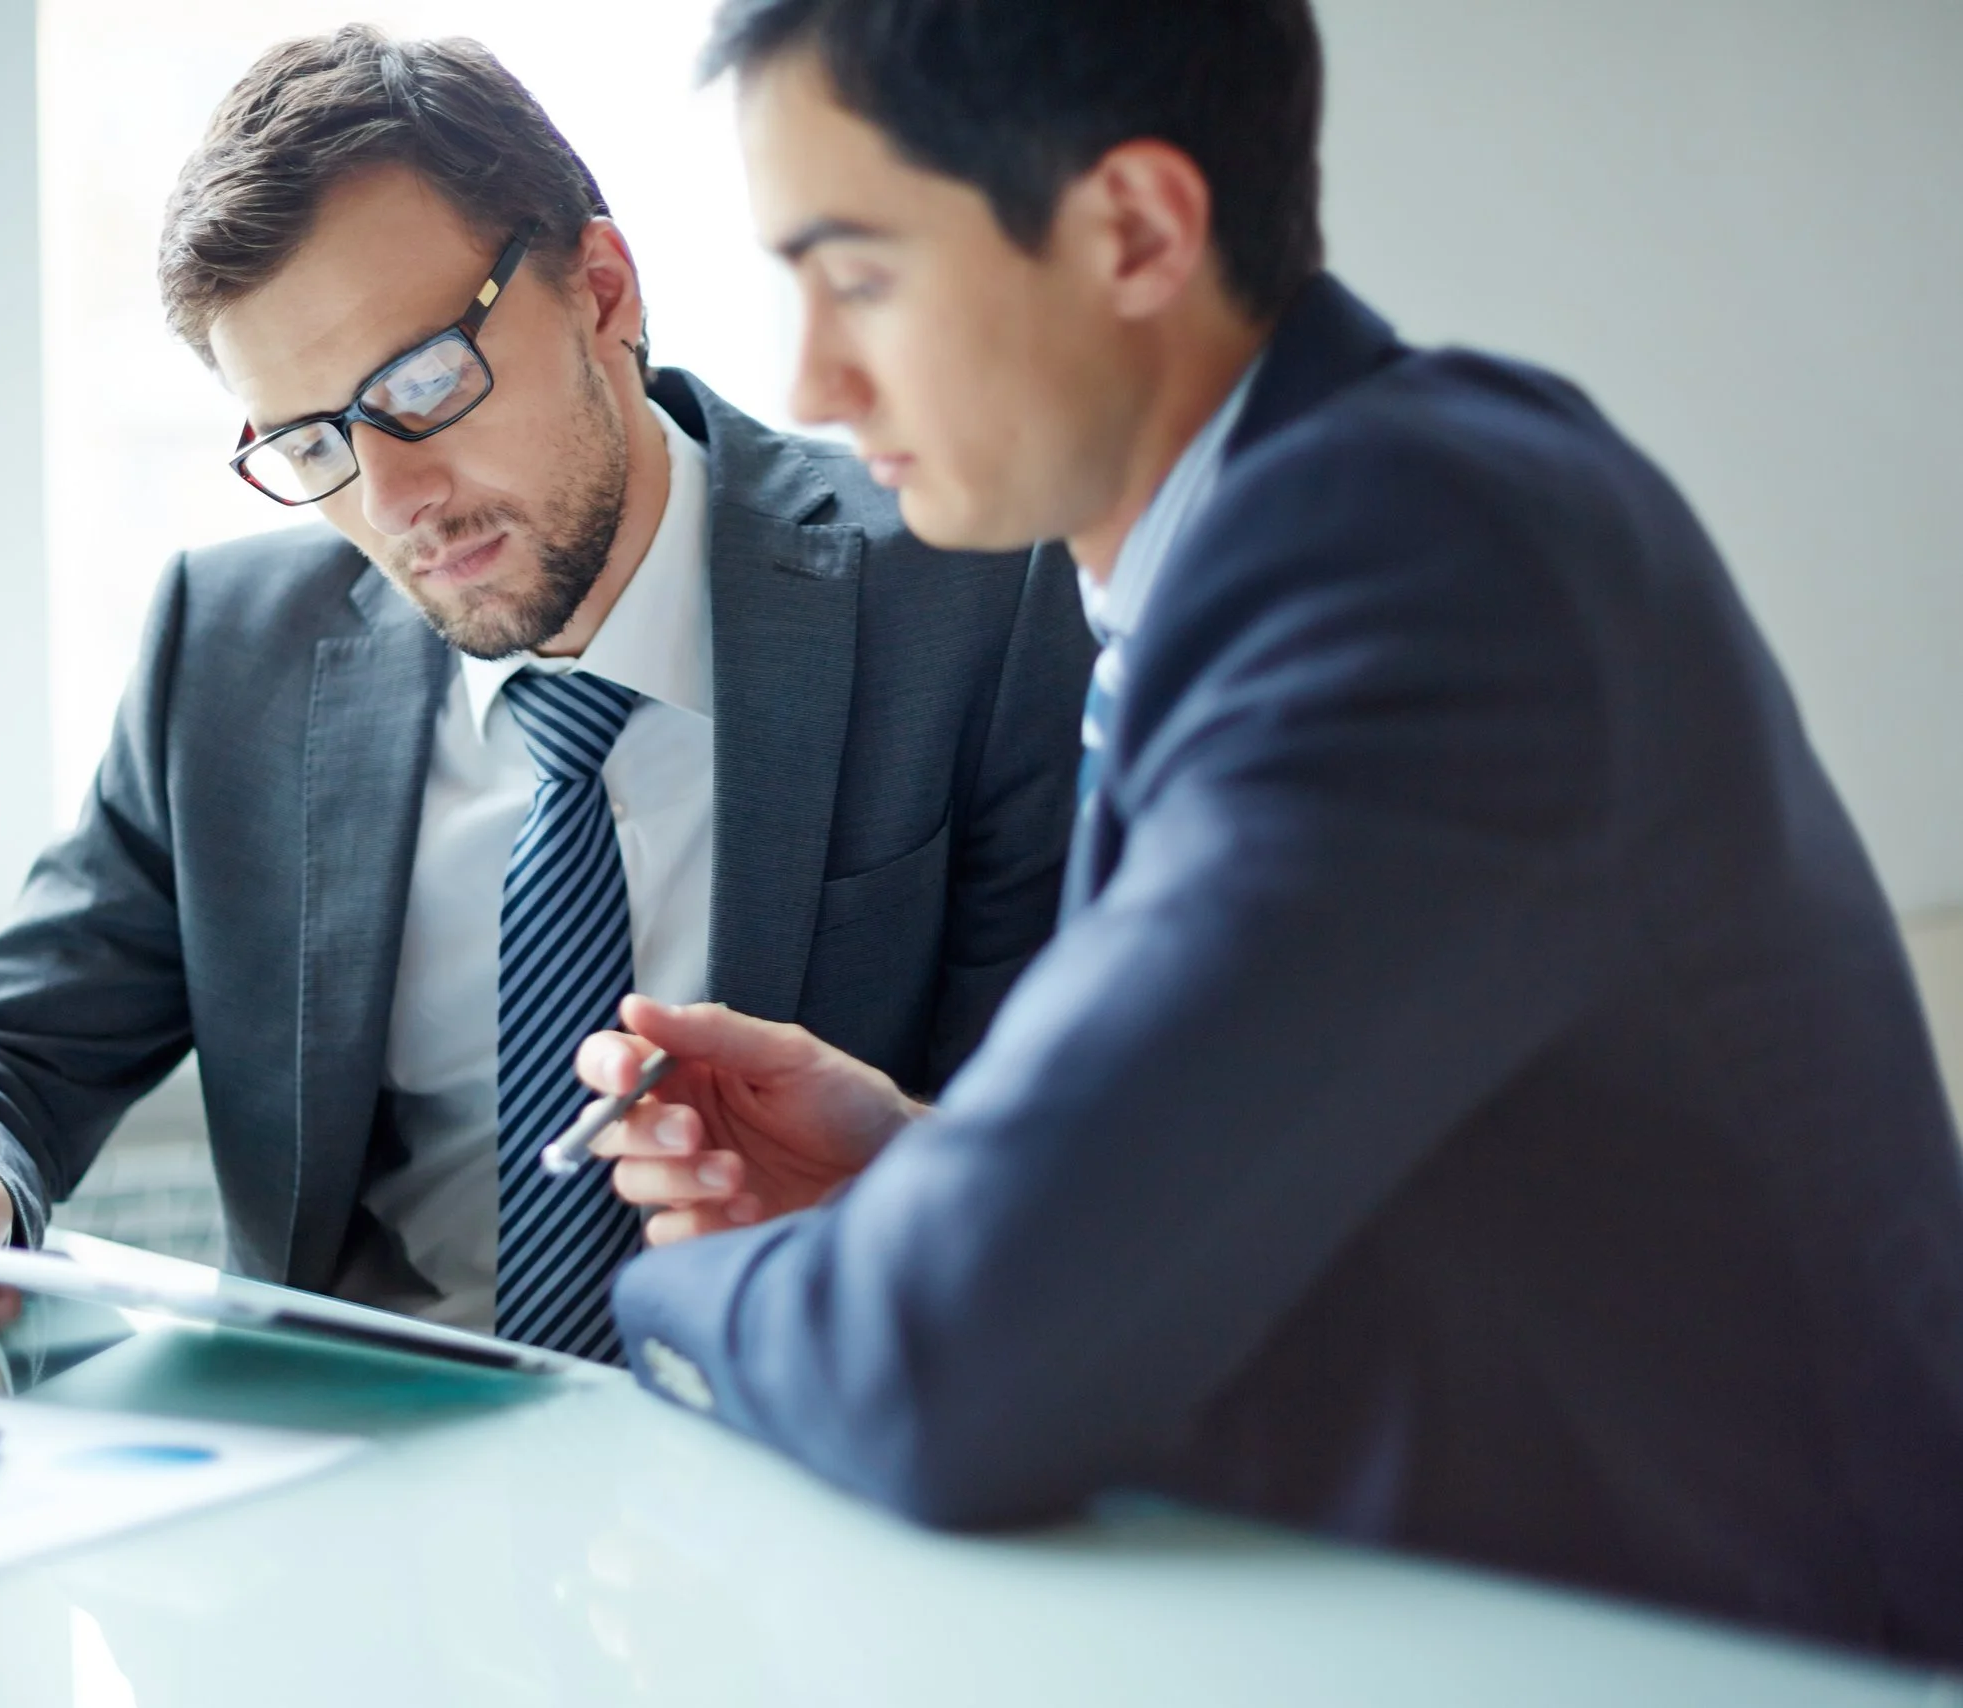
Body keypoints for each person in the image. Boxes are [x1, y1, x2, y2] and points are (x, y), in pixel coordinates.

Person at [577, 0, 1963, 1666]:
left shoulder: (1416, 561)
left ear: (1139, 231)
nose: (806, 375)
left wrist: (648, 1302)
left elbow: (953, 1372)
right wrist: (909, 1175)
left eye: (859, 273)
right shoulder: (1304, 533)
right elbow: (1338, 1180)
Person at [0, 27, 1090, 1369]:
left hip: (808, 1454)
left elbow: (1100, 1149)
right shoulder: (228, 655)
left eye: (421, 385)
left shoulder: (973, 594)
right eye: (311, 443)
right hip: (369, 1485)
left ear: (605, 290)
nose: (393, 506)